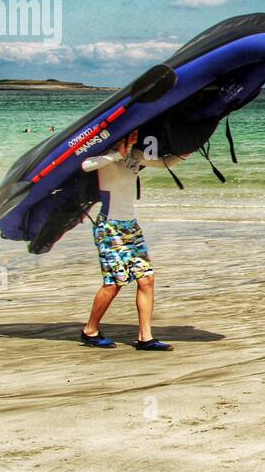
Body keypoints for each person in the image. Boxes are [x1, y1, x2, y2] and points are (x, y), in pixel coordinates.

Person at [78, 129, 187, 350]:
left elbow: (166, 162)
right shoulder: (106, 157)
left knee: (146, 279)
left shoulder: (136, 156)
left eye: (139, 134)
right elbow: (85, 165)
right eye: (134, 134)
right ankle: (90, 330)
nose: (137, 137)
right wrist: (118, 154)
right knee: (114, 283)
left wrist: (189, 147)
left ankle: (145, 337)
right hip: (109, 227)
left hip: (131, 227)